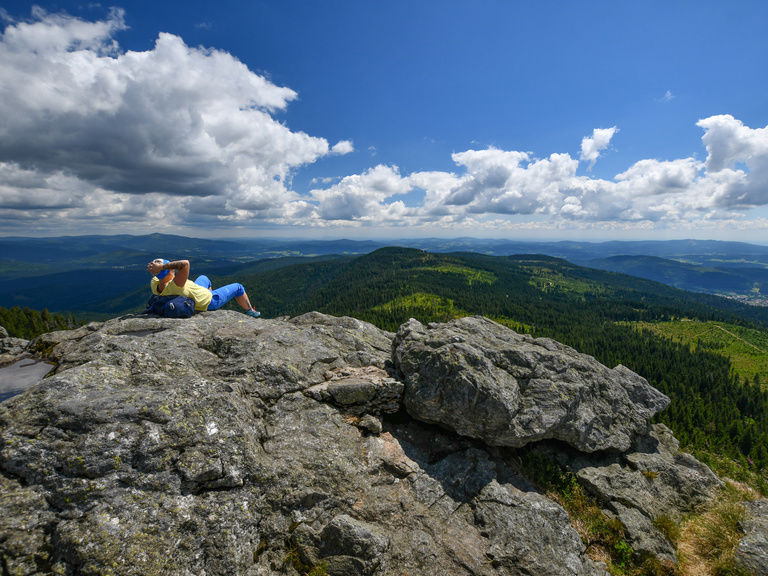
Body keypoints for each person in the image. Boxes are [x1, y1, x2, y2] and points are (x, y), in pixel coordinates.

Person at [147, 258, 260, 317]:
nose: (173, 268)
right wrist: (162, 266)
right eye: (171, 268)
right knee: (238, 287)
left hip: (195, 289)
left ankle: (206, 291)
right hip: (208, 301)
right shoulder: (176, 285)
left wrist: (158, 269)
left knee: (203, 277)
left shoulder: (155, 282)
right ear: (170, 270)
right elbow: (185, 264)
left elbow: (162, 273)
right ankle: (250, 311)